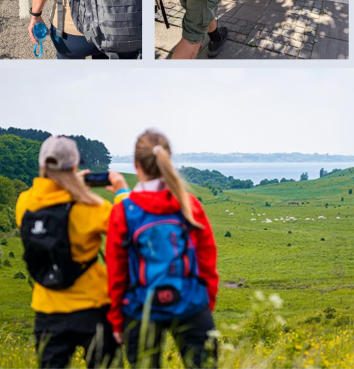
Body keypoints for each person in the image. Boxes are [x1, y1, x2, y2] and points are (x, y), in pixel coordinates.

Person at [106, 130, 219, 369]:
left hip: (140, 308)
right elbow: (207, 257)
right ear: (168, 159)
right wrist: (206, 303)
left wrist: (117, 320)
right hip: (190, 302)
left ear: (136, 164)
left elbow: (116, 273)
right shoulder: (189, 205)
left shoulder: (123, 212)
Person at [16, 136, 127, 369]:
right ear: (74, 166)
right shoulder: (91, 207)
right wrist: (121, 191)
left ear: (42, 165)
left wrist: (68, 183)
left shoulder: (24, 203)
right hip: (93, 306)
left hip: (47, 308)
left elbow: (52, 201)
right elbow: (127, 227)